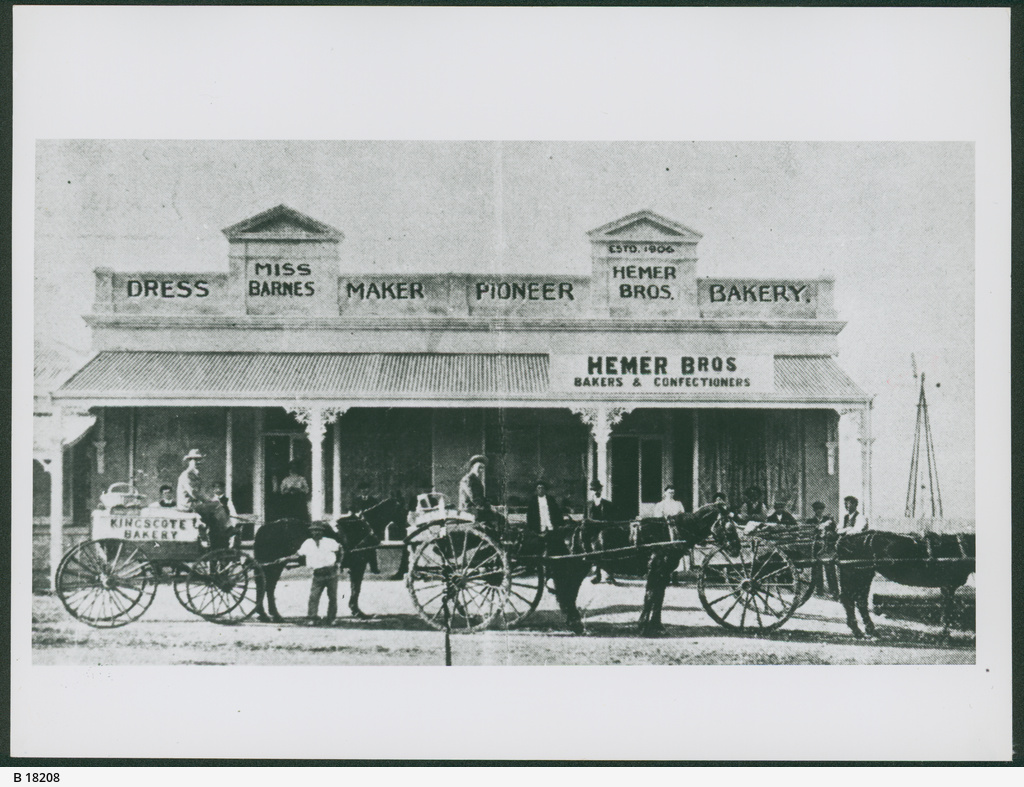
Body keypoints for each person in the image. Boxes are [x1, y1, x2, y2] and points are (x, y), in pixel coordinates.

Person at [177, 449, 231, 549]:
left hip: (193, 504)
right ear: (189, 461)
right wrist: (208, 501)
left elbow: (199, 493)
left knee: (214, 509)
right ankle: (228, 529)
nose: (198, 462)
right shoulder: (187, 475)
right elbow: (195, 493)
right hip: (188, 505)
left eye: (199, 460)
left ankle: (214, 539)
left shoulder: (195, 474)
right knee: (216, 505)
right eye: (195, 460)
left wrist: (208, 500)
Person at [291, 521, 341, 626]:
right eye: (314, 530)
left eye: (319, 530)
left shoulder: (330, 542)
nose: (316, 533)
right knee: (314, 597)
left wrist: (338, 563)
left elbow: (340, 550)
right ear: (311, 532)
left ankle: (331, 618)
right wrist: (284, 559)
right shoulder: (307, 543)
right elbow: (298, 554)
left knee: (332, 597)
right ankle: (312, 618)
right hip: (318, 575)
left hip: (331, 573)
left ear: (322, 531)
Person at [586, 480, 616, 585]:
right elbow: (585, 519)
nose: (596, 492)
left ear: (601, 490)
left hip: (604, 530)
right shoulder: (588, 504)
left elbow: (611, 519)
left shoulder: (607, 504)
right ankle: (597, 574)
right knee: (592, 549)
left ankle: (608, 574)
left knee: (604, 548)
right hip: (592, 531)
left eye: (597, 489)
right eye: (593, 490)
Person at [807, 501, 839, 597]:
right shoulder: (810, 521)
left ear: (823, 510)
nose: (819, 511)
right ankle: (819, 590)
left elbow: (835, 532)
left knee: (830, 568)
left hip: (827, 547)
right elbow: (809, 533)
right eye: (817, 509)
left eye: (821, 509)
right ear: (814, 510)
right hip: (816, 547)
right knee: (817, 569)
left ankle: (834, 591)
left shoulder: (828, 520)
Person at [526, 480, 566, 552]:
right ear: (536, 490)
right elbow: (530, 516)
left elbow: (557, 512)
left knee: (555, 544)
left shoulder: (550, 499)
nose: (541, 490)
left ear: (545, 490)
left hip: (550, 526)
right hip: (538, 527)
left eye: (542, 488)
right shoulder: (533, 501)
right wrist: (531, 527)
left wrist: (560, 523)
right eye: (539, 488)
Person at [458, 455, 493, 523]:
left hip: (476, 509)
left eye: (483, 468)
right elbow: (473, 497)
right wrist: (484, 506)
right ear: (472, 467)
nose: (481, 470)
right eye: (479, 467)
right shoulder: (467, 479)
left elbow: (480, 497)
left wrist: (488, 503)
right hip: (468, 510)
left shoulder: (477, 480)